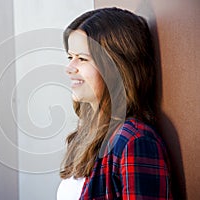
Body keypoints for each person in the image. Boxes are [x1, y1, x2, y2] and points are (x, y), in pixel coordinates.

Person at [57, 7, 172, 199]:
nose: (69, 68)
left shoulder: (134, 141)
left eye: (82, 59)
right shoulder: (85, 136)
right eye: (70, 57)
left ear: (116, 67)